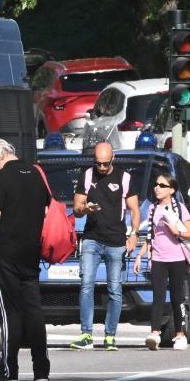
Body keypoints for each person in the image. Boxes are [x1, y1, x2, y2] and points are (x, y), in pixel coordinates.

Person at [0, 136, 51, 381]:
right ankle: (41, 371)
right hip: (31, 251)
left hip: (6, 251)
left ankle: (9, 370)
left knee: (8, 312)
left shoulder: (2, 178)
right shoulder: (36, 174)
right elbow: (45, 210)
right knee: (33, 310)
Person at [70, 141, 140, 350]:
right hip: (92, 238)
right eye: (98, 163)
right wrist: (85, 209)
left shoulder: (124, 178)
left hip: (116, 240)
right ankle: (86, 334)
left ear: (113, 159)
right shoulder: (88, 176)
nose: (101, 168)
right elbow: (76, 208)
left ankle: (110, 335)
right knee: (86, 285)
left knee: (115, 289)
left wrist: (134, 234)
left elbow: (134, 210)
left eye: (105, 164)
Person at [133, 169, 190, 351]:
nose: (157, 188)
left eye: (162, 185)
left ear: (172, 189)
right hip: (158, 259)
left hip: (177, 258)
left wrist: (177, 232)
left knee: (178, 298)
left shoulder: (179, 208)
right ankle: (155, 334)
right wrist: (140, 255)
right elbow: (150, 236)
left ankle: (180, 335)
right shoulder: (153, 209)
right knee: (158, 297)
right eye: (156, 185)